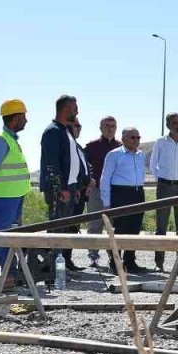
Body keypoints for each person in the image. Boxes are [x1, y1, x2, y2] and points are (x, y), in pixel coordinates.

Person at [0, 99, 30, 268]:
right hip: (3, 197)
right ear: (15, 119)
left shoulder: (11, 140)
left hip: (13, 196)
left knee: (9, 236)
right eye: (23, 117)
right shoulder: (1, 141)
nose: (26, 121)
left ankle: (7, 272)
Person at [149, 112, 178, 272]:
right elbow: (153, 163)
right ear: (168, 125)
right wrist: (162, 179)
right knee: (161, 226)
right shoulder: (160, 142)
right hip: (164, 187)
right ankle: (159, 263)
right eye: (175, 122)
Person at [40, 95, 80, 282]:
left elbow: (72, 161)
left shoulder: (66, 131)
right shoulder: (52, 132)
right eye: (74, 109)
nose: (77, 111)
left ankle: (59, 268)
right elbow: (52, 163)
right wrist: (60, 188)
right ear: (65, 109)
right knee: (57, 229)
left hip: (69, 189)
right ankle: (52, 270)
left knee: (64, 229)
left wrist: (75, 186)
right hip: (59, 191)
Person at [99, 126, 149, 273]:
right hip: (120, 194)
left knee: (135, 228)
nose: (136, 140)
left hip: (137, 193)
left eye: (138, 137)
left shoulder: (140, 155)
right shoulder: (114, 155)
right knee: (120, 229)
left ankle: (130, 261)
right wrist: (106, 203)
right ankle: (115, 262)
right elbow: (105, 178)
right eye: (133, 137)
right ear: (123, 139)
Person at [82, 116, 121, 269]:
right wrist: (89, 181)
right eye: (107, 125)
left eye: (113, 126)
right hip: (97, 191)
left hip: (115, 192)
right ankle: (93, 257)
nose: (110, 128)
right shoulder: (92, 147)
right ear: (101, 128)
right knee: (94, 225)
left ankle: (114, 257)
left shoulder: (120, 146)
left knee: (114, 225)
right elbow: (84, 166)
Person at [61, 119, 91, 269]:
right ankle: (58, 262)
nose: (79, 128)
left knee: (73, 227)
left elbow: (84, 168)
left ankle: (67, 259)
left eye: (80, 126)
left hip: (80, 193)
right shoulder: (68, 146)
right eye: (76, 125)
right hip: (71, 192)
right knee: (64, 228)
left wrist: (88, 182)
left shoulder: (78, 147)